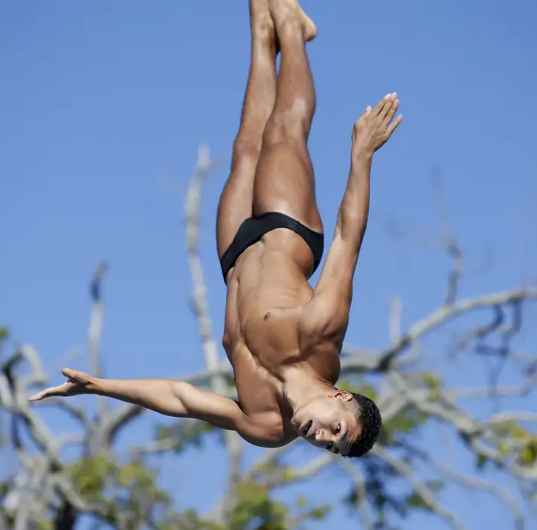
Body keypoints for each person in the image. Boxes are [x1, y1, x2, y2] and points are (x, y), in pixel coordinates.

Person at [29, 0, 402, 458]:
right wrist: (361, 157)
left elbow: (183, 399)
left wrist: (103, 387)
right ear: (341, 397)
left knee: (247, 146)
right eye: (336, 430)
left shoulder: (265, 425)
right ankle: (292, 30)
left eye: (330, 447)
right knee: (284, 129)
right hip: (287, 230)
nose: (320, 437)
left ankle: (262, 26)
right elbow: (348, 238)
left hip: (235, 253)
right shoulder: (321, 332)